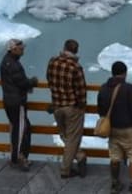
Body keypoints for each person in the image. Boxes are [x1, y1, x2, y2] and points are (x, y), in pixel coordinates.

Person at [98, 60, 132, 194]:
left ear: (112, 73)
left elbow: (101, 110)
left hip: (112, 129)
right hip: (129, 129)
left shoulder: (103, 88)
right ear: (125, 73)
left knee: (114, 157)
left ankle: (115, 184)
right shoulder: (129, 88)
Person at [46, 38, 88, 178]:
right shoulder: (75, 67)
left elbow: (49, 80)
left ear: (64, 48)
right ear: (76, 51)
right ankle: (66, 170)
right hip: (72, 107)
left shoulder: (53, 62)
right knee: (72, 138)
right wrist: (82, 106)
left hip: (57, 105)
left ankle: (80, 156)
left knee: (64, 135)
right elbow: (81, 90)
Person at [0, 37, 37, 171]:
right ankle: (19, 157)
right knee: (21, 130)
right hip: (17, 102)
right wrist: (32, 82)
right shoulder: (13, 65)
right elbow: (22, 82)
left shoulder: (7, 61)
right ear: (13, 49)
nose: (23, 50)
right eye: (21, 48)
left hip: (9, 100)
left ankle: (17, 156)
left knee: (19, 128)